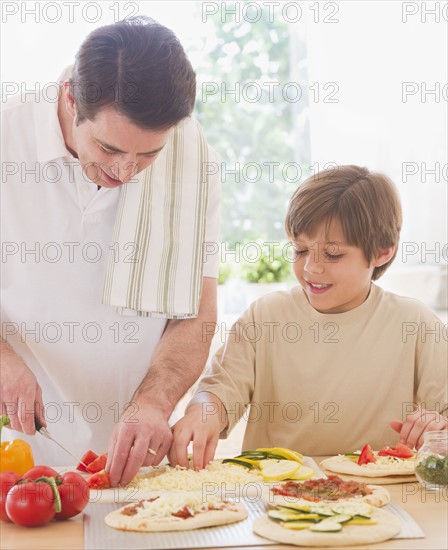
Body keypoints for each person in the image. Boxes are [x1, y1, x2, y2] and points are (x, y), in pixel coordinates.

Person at [1, 17, 220, 486]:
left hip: (130, 462)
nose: (126, 171)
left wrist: (155, 403)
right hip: (13, 454)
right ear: (70, 98)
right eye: (108, 147)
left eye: (148, 155)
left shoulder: (192, 157)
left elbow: (196, 314)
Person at [169, 165, 447, 470]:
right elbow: (220, 390)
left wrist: (437, 428)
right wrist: (201, 413)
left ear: (382, 252)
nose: (312, 268)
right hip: (275, 494)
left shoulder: (414, 323)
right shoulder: (266, 317)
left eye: (333, 254)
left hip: (378, 498)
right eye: (300, 250)